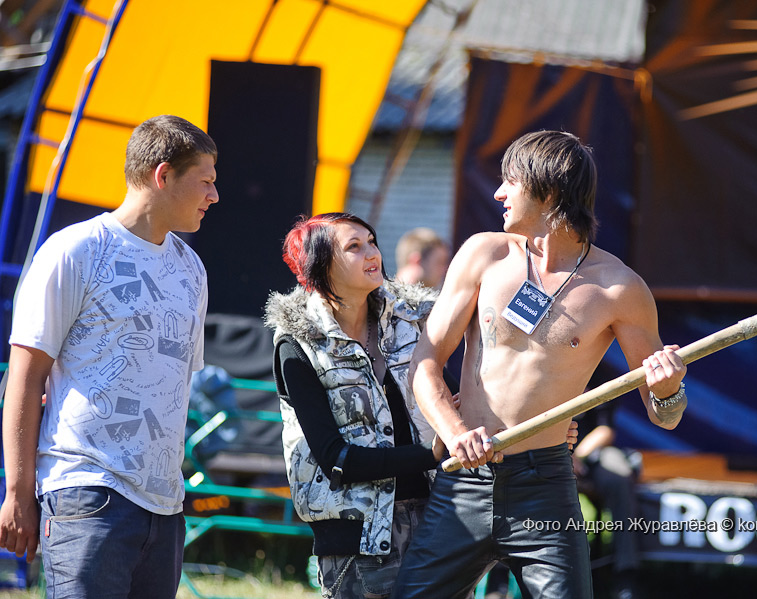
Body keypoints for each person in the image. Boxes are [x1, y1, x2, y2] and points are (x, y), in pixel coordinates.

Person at [392, 130, 688, 599]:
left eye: (509, 181)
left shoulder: (619, 288)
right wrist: (455, 433)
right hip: (465, 481)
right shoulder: (483, 254)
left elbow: (664, 416)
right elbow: (424, 363)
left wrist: (669, 389)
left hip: (545, 488)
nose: (498, 194)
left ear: (547, 191)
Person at [264, 212, 578, 598]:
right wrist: (433, 453)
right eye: (354, 247)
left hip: (439, 519)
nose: (372, 252)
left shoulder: (410, 321)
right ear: (321, 265)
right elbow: (336, 459)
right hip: (358, 538)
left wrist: (541, 429)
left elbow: (462, 396)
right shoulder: (297, 344)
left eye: (372, 241)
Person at [0, 115, 218, 598]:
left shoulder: (192, 269)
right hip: (85, 495)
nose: (215, 195)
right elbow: (24, 378)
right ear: (163, 176)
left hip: (165, 507)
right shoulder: (75, 250)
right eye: (205, 181)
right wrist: (17, 493)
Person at [573, 398, 641, 599]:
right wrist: (561, 454)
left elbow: (605, 430)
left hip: (592, 453)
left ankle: (625, 576)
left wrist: (577, 456)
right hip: (548, 450)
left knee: (619, 477)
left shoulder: (600, 381)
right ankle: (501, 579)